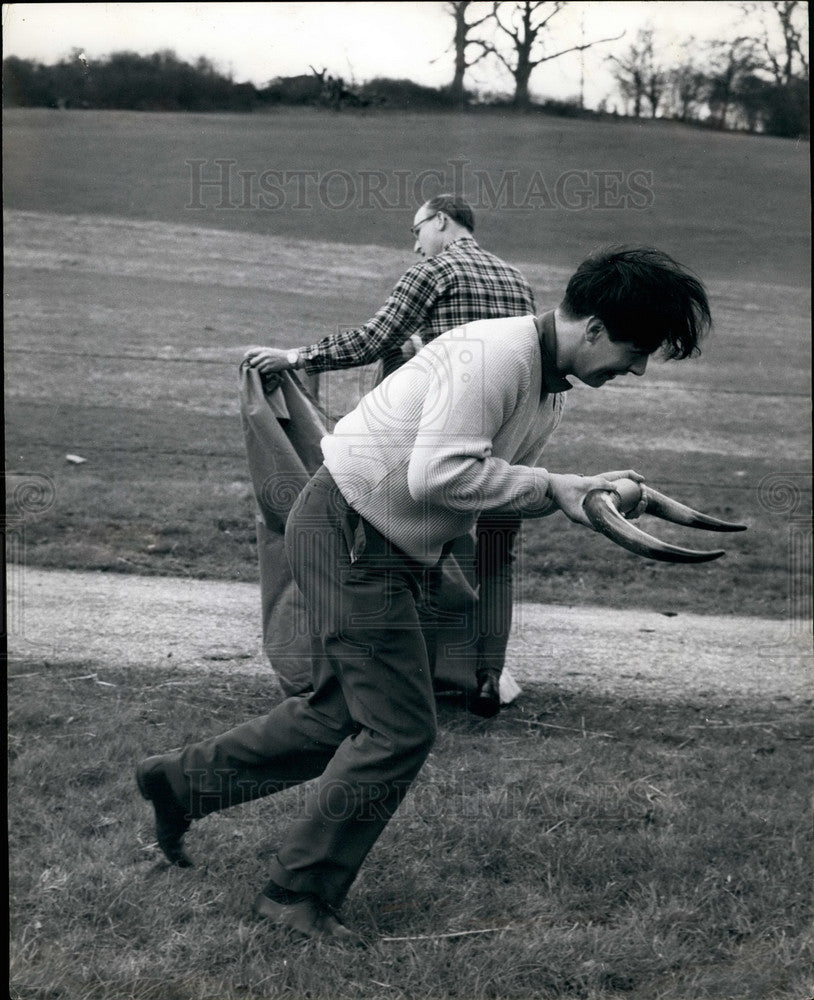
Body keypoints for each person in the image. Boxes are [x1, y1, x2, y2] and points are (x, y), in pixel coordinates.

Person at [138, 246, 711, 944]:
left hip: (379, 540)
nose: (639, 368)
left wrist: (581, 491)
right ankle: (294, 894)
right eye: (636, 350)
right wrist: (554, 487)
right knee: (398, 729)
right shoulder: (497, 358)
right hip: (350, 531)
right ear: (592, 328)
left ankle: (180, 783)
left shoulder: (546, 386)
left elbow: (483, 481)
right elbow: (439, 476)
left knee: (337, 716)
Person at [244, 193, 537, 715]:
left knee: (419, 559)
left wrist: (294, 357)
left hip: (444, 446)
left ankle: (405, 679)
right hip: (508, 446)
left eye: (416, 231)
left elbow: (371, 340)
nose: (416, 245)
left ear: (441, 221)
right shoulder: (517, 280)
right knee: (496, 559)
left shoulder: (435, 271)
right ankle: (487, 677)